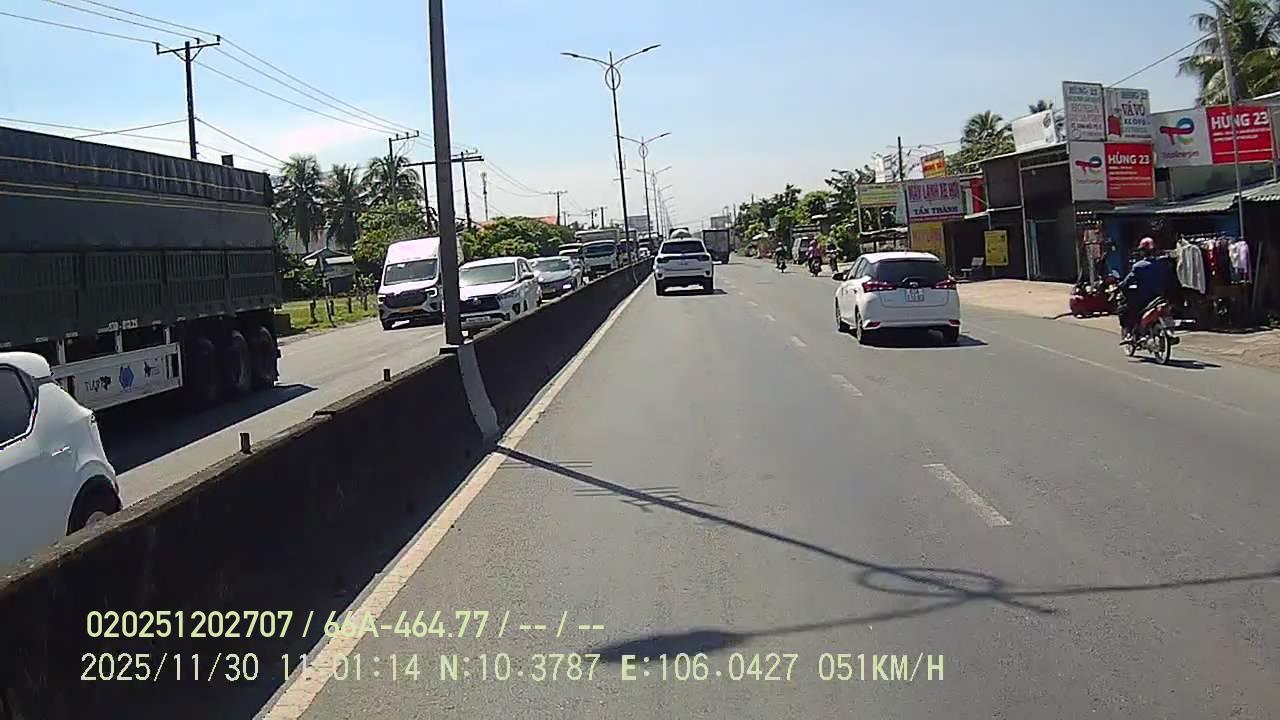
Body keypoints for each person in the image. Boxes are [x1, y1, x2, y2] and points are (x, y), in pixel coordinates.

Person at [1118, 237, 1171, 342]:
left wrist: (1121, 286)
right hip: (1161, 296)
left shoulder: (1139, 266)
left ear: (1143, 252)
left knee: (1125, 310)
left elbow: (1127, 282)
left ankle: (1129, 334)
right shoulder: (1163, 264)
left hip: (1144, 298)